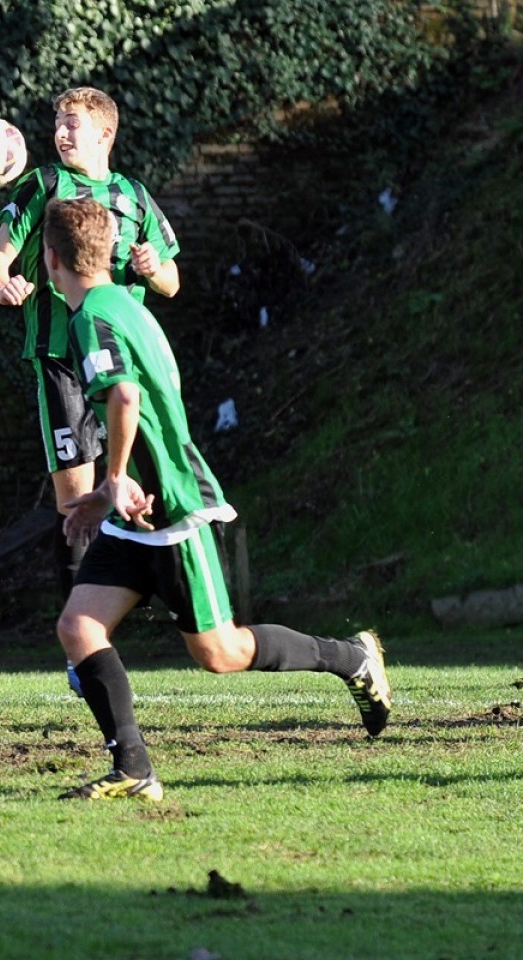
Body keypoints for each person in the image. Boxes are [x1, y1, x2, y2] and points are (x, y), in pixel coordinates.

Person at [41, 197, 391, 801]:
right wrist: (111, 491)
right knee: (78, 626)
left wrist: (115, 477)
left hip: (173, 508)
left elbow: (124, 398)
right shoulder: (122, 302)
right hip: (136, 511)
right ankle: (133, 770)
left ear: (50, 260)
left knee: (221, 653)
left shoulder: (91, 318)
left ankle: (351, 659)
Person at [0, 87, 181, 604]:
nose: (61, 133)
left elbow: (173, 281)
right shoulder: (43, 184)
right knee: (75, 505)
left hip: (121, 365)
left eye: (72, 124)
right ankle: (82, 638)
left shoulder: (135, 197)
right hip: (61, 362)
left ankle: (166, 598)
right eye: (58, 124)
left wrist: (152, 268)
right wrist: (5, 283)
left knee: (153, 491)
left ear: (105, 134)